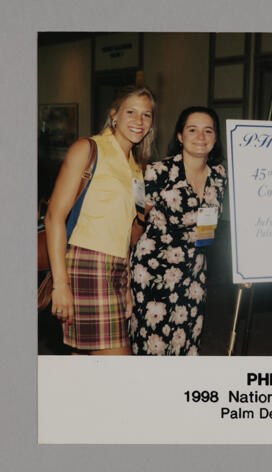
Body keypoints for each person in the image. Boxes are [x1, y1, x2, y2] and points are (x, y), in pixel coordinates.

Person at [46, 84, 156, 355]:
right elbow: (53, 217)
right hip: (87, 264)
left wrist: (127, 284)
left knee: (85, 365)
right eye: (131, 112)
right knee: (119, 369)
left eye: (146, 115)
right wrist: (61, 284)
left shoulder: (137, 168)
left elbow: (127, 237)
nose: (139, 121)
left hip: (117, 269)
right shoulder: (88, 148)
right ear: (114, 114)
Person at [129, 106, 227, 355]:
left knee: (186, 343)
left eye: (208, 131)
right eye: (192, 130)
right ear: (180, 136)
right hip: (153, 273)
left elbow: (209, 226)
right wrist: (124, 272)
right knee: (153, 345)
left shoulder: (219, 176)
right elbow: (134, 222)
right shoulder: (155, 172)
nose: (201, 137)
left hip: (194, 275)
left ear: (215, 139)